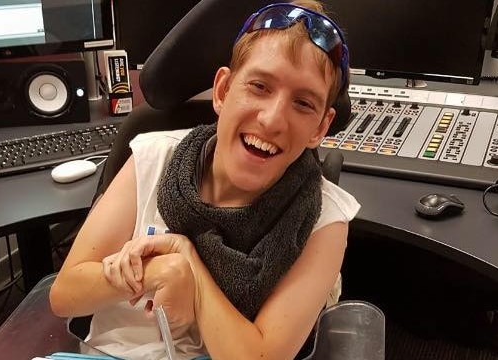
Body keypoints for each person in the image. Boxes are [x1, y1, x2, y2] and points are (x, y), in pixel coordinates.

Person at [49, 1, 360, 359]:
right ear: (224, 90)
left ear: (321, 127)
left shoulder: (325, 220)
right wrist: (160, 271)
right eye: (259, 86)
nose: (273, 120)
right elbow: (64, 293)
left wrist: (190, 269)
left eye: (303, 104)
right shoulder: (154, 158)